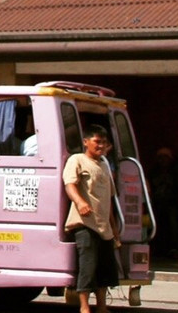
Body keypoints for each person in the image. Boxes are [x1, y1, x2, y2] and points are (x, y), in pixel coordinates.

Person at [64, 125, 121, 313]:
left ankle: (102, 307)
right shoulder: (77, 159)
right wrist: (80, 202)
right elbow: (70, 185)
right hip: (85, 223)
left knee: (105, 269)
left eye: (104, 142)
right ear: (86, 142)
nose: (101, 146)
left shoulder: (104, 165)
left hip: (104, 227)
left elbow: (109, 201)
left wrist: (114, 228)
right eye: (97, 141)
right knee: (87, 267)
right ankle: (84, 307)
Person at [148, 146, 178, 259]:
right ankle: (157, 249)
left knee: (173, 226)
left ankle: (174, 249)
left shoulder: (176, 171)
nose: (162, 160)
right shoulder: (154, 172)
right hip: (157, 204)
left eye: (165, 158)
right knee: (156, 226)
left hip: (172, 204)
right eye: (160, 158)